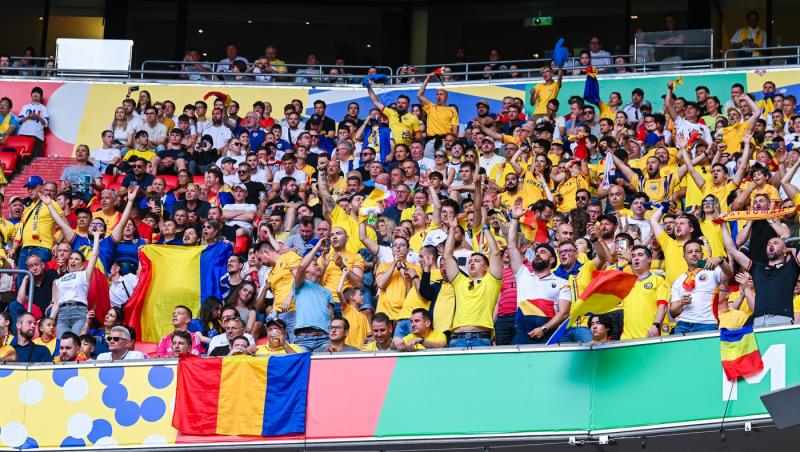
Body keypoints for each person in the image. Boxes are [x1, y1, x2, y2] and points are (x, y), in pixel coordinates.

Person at [442, 214, 503, 348]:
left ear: (486, 267)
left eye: (477, 261)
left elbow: (495, 253)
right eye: (470, 261)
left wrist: (485, 227)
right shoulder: (459, 281)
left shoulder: (492, 281)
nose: (471, 263)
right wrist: (452, 229)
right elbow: (447, 256)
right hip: (456, 339)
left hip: (481, 339)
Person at [722, 226, 798, 327]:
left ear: (784, 249)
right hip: (758, 321)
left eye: (775, 243)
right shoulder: (757, 268)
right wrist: (722, 225)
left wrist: (792, 249)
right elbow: (732, 250)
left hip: (782, 319)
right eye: (769, 244)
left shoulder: (791, 267)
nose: (771, 245)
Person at [669, 239, 731, 334]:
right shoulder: (678, 280)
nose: (694, 254)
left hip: (707, 324)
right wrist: (681, 302)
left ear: (702, 254)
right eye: (690, 252)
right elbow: (673, 312)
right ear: (684, 257)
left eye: (697, 251)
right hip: (683, 325)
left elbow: (729, 275)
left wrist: (721, 261)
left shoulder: (712, 271)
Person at [51, 229, 101, 336]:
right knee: (61, 345)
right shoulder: (58, 281)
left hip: (79, 312)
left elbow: (94, 255)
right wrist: (51, 320)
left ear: (83, 265)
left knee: (76, 343)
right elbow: (56, 303)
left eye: (77, 259)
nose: (73, 261)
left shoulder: (84, 275)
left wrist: (96, 236)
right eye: (71, 259)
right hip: (62, 313)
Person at [292, 240, 334, 352]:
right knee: (301, 367)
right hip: (303, 338)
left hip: (325, 338)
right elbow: (301, 267)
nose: (319, 266)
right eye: (315, 264)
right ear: (306, 271)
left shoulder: (326, 291)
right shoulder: (300, 285)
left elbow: (331, 315)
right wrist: (317, 247)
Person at [620, 246, 669, 339]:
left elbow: (662, 306)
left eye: (640, 255)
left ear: (649, 259)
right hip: (627, 338)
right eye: (633, 256)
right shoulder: (625, 282)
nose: (636, 258)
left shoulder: (658, 280)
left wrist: (656, 325)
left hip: (651, 335)